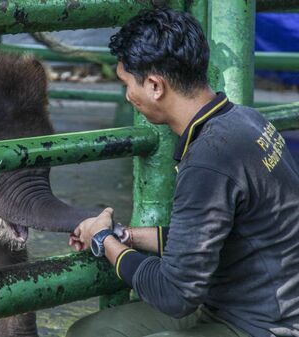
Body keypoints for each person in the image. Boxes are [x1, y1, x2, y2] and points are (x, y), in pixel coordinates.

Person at [67, 8, 299, 337]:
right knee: (92, 331)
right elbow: (203, 237)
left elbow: (176, 295)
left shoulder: (210, 158)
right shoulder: (246, 120)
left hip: (263, 325)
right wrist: (127, 235)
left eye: (127, 84)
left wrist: (104, 242)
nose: (128, 96)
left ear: (154, 85)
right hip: (238, 302)